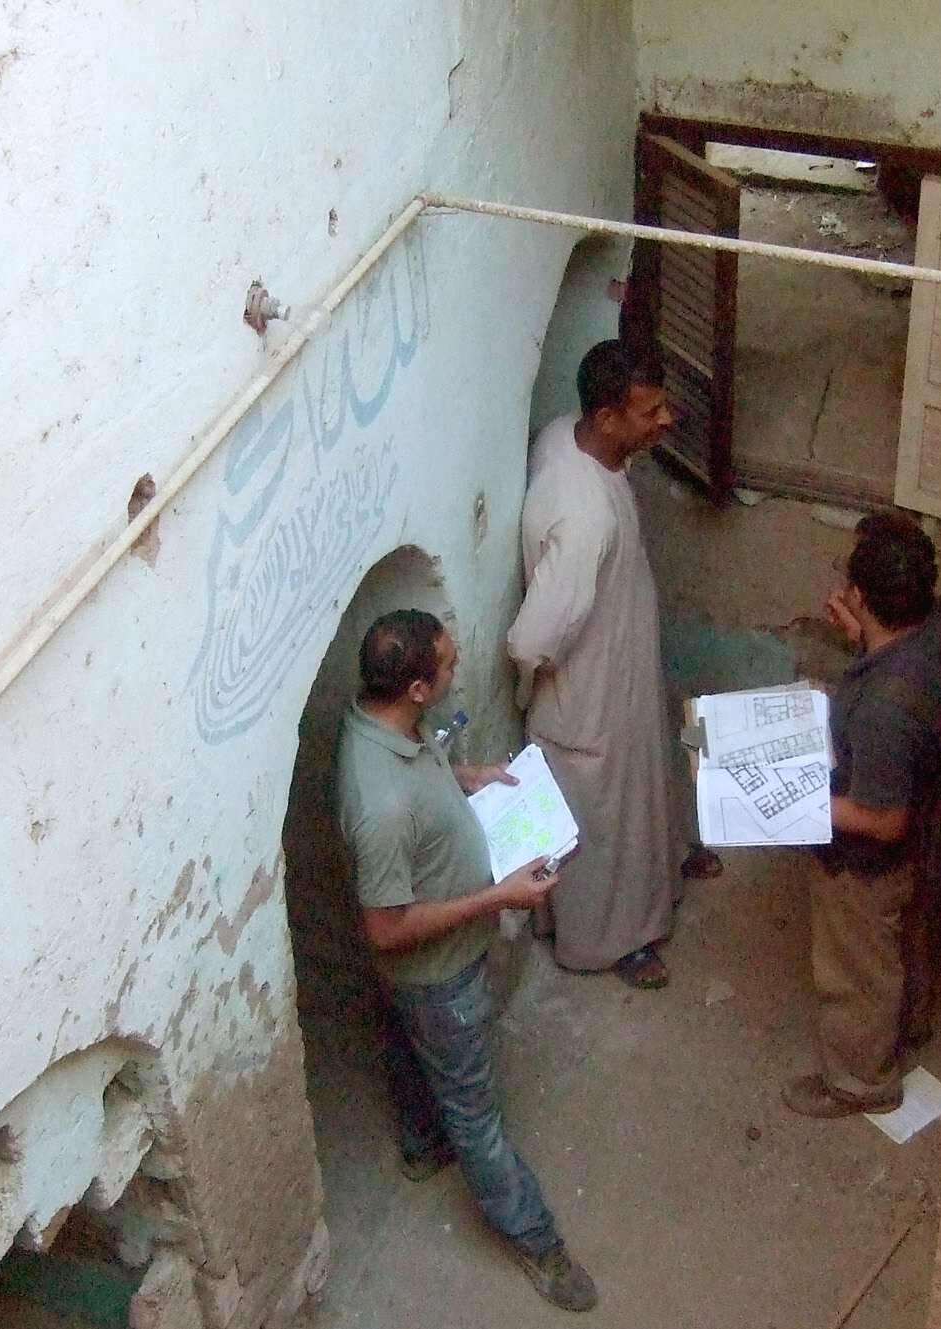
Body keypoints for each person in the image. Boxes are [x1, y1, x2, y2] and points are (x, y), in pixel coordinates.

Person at [337, 608, 599, 1312]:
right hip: (438, 976)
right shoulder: (381, 807)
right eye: (449, 664)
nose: (458, 669)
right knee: (476, 1117)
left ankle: (422, 1145)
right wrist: (499, 896)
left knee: (405, 1042)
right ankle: (536, 1239)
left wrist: (465, 776)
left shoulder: (375, 721)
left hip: (418, 985)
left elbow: (420, 770)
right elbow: (386, 929)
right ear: (417, 689)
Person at [783, 513, 941, 1119]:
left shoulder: (884, 710)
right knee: (906, 934)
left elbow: (883, 820)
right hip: (934, 817)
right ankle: (909, 1024)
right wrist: (865, 637)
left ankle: (861, 1081)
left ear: (861, 597)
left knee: (856, 967)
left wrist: (795, 802)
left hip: (869, 861)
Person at [506, 339, 680, 989]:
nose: (666, 420)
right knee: (603, 826)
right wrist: (537, 687)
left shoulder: (564, 435)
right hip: (588, 699)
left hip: (618, 671)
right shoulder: (583, 517)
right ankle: (610, 942)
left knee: (636, 797)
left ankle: (661, 878)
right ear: (606, 418)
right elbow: (531, 639)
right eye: (650, 411)